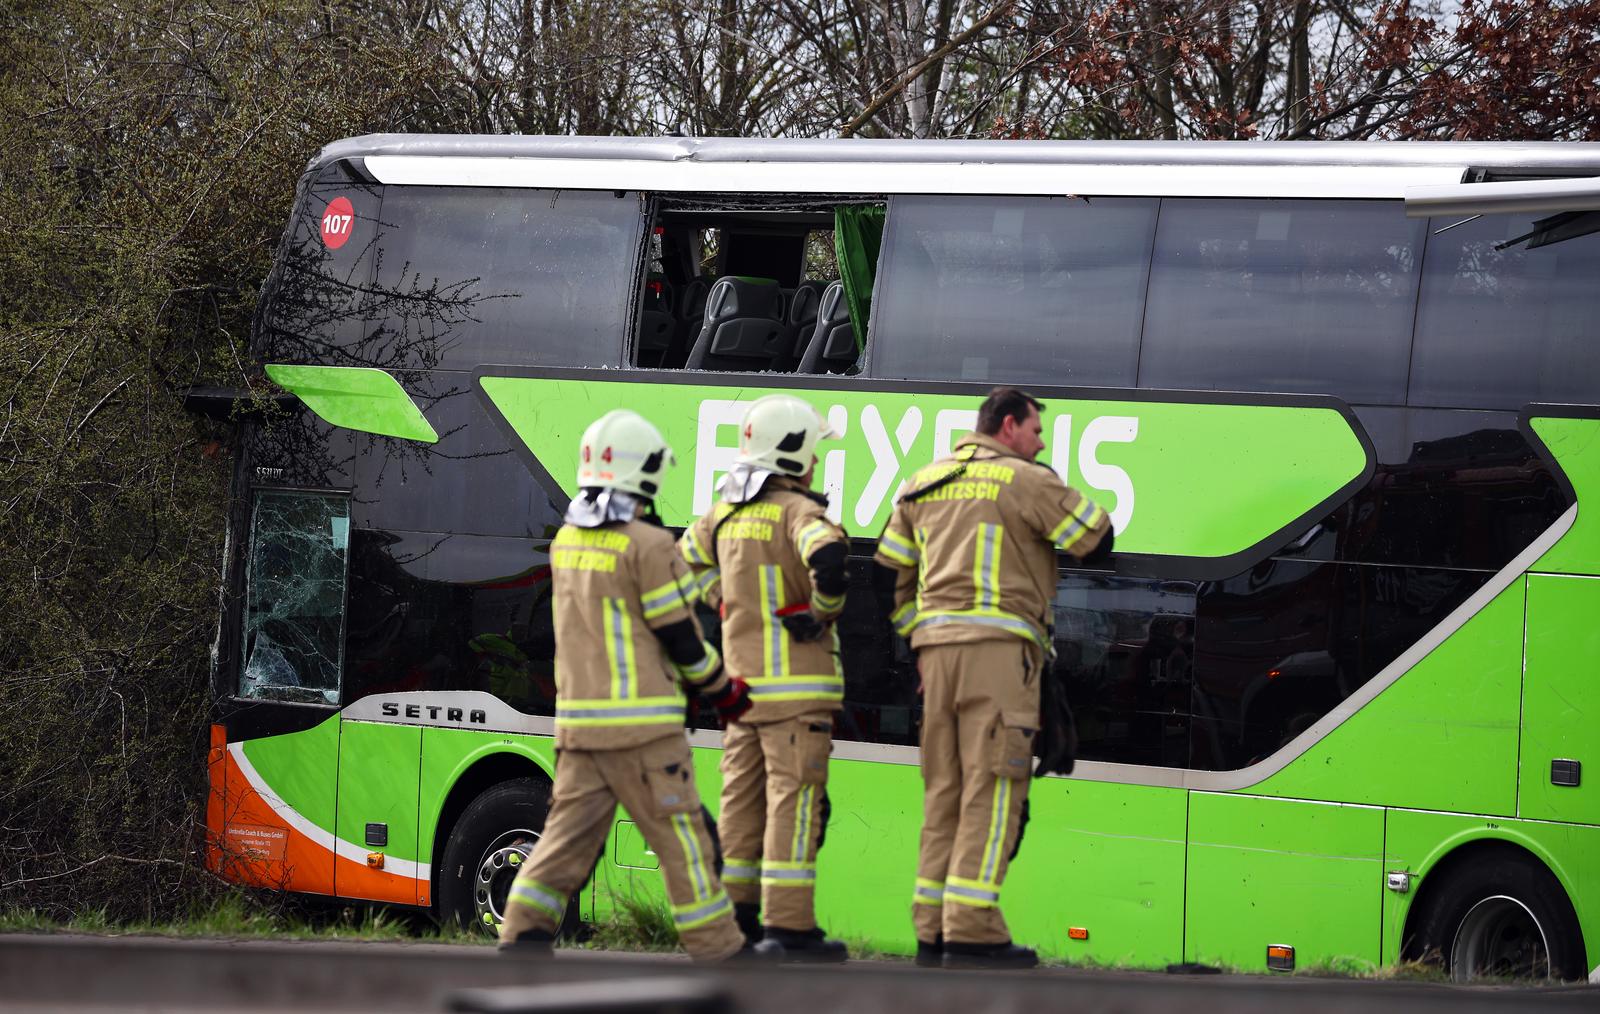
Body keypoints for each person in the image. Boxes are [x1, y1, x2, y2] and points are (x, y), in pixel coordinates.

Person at [498, 409, 756, 961]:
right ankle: (721, 951)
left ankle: (521, 937)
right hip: (642, 733)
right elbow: (681, 639)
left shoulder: (567, 541)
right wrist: (725, 692)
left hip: (579, 731)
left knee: (563, 846)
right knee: (686, 843)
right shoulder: (648, 545)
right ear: (640, 471)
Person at [874, 387, 1114, 970]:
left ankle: (932, 930)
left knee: (944, 795)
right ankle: (973, 928)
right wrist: (1050, 479)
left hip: (937, 660)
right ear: (1008, 426)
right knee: (995, 790)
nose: (1039, 443)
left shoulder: (922, 482)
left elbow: (892, 582)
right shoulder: (1024, 479)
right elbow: (1097, 537)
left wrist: (926, 649)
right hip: (999, 658)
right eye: (1035, 432)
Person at [679, 394, 851, 963]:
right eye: (814, 452)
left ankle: (738, 921)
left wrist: (720, 600)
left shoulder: (724, 512)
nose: (818, 463)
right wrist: (820, 612)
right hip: (796, 698)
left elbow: (685, 560)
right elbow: (828, 560)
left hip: (742, 694)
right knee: (793, 803)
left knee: (740, 803)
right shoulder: (797, 512)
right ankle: (790, 927)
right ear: (795, 453)